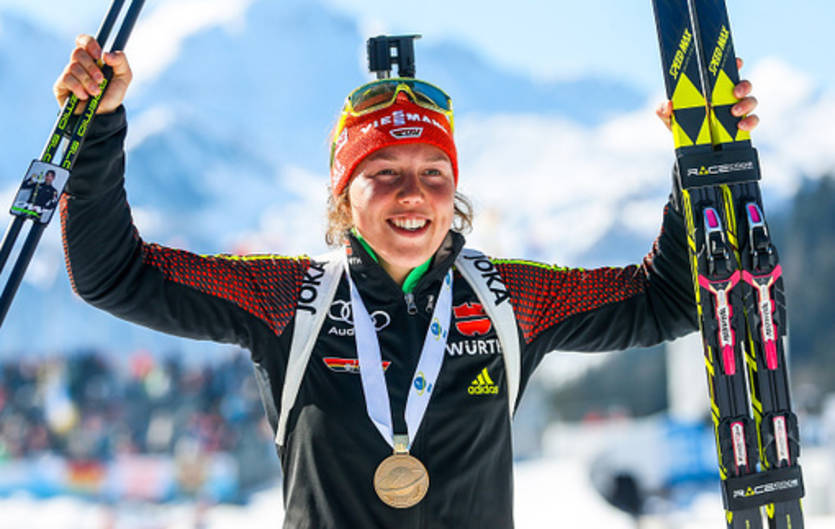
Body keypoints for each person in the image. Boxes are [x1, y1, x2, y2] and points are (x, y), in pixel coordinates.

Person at [56, 33, 758, 528]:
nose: (413, 193)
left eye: (433, 173)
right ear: (344, 194)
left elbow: (667, 300)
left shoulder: (509, 299)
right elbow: (115, 274)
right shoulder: (289, 300)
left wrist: (696, 159)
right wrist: (97, 127)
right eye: (384, 172)